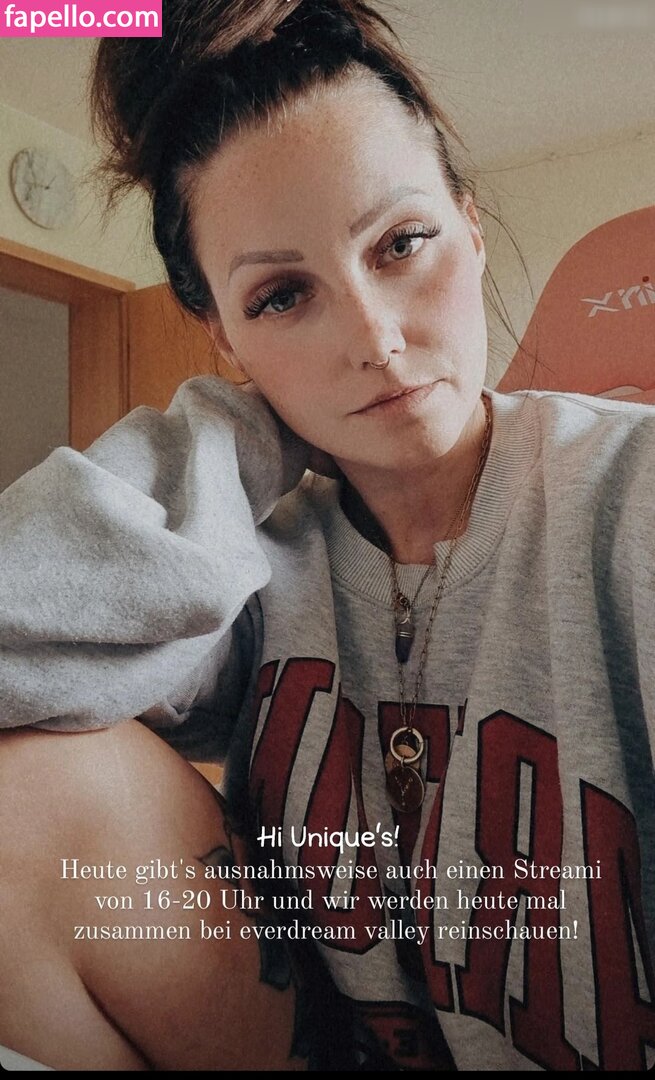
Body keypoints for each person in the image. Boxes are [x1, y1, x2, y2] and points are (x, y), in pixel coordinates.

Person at [0, 0, 653, 1071]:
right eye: (281, 296)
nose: (374, 338)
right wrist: (235, 431)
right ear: (220, 334)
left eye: (401, 243)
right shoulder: (251, 553)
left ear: (470, 226)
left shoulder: (634, 496)